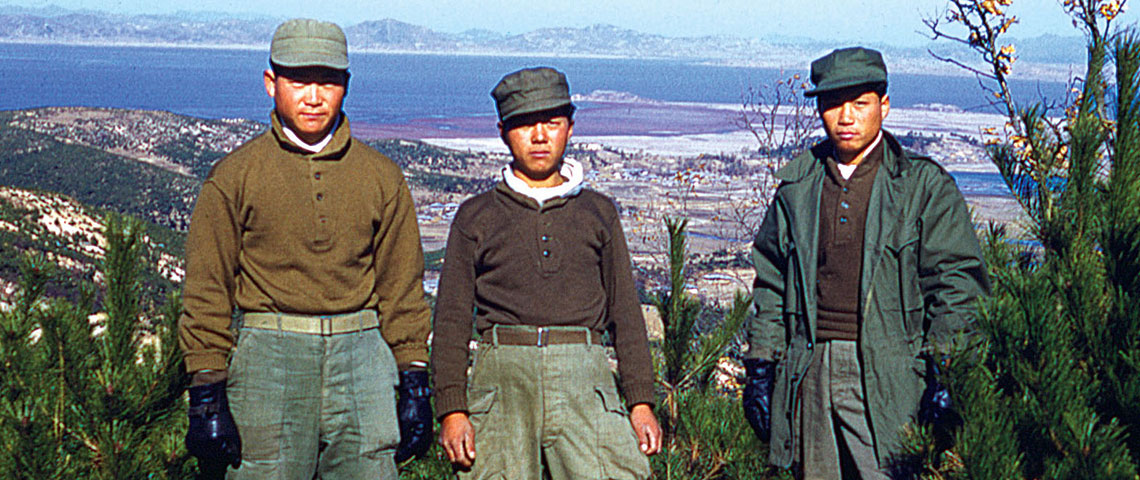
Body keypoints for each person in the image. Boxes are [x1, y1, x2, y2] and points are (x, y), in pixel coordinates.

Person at [178, 18, 433, 479]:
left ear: (346, 86)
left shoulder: (382, 176)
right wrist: (207, 389)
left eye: (328, 82)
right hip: (269, 357)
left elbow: (402, 286)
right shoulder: (235, 176)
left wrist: (414, 378)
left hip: (363, 357)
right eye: (299, 81)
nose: (313, 97)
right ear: (271, 84)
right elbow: (206, 289)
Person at [741, 47, 989, 479]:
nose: (847, 117)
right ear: (819, 109)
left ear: (884, 106)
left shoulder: (922, 186)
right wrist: (762, 365)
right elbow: (771, 283)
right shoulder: (798, 188)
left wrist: (945, 370)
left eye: (860, 103)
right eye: (835, 103)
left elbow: (957, 285)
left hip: (892, 371)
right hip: (810, 370)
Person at [431, 66, 662, 480]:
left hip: (585, 378)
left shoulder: (598, 213)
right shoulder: (475, 217)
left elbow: (626, 312)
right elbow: (449, 320)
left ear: (570, 128)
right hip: (500, 382)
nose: (539, 136)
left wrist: (640, 400)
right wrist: (452, 408)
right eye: (524, 124)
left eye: (551, 123)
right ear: (503, 131)